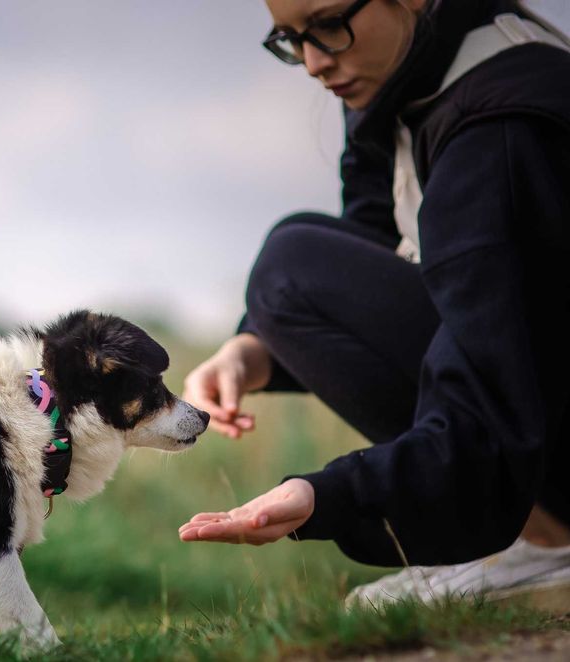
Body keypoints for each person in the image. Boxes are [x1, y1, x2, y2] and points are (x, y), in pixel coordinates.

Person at [178, 0, 570, 605]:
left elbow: (491, 380)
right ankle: (533, 532)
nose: (312, 62)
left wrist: (329, 495)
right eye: (290, 38)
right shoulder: (407, 70)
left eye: (329, 23)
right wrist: (251, 350)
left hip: (520, 414)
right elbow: (377, 234)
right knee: (293, 265)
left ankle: (550, 539)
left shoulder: (498, 127)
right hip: (534, 379)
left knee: (292, 269)